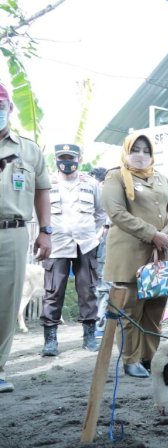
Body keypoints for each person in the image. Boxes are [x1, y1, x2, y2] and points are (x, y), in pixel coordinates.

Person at [102, 133, 168, 378]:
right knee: (130, 310)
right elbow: (116, 212)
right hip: (130, 254)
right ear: (126, 151)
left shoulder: (161, 178)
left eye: (146, 150)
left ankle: (149, 358)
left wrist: (164, 234)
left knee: (155, 310)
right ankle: (130, 359)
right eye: (135, 149)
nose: (141, 155)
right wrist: (151, 234)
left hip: (161, 254)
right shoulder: (115, 177)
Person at [0, 82, 52, 393]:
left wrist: (45, 232)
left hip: (14, 234)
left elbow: (43, 191)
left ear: (9, 110)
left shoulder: (28, 150)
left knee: (6, 303)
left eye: (0, 107)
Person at [39, 144, 107, 356]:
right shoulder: (47, 183)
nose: (66, 161)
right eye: (62, 157)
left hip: (85, 244)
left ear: (79, 159)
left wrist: (95, 236)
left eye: (71, 157)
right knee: (53, 291)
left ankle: (89, 337)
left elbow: (100, 213)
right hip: (56, 245)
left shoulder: (91, 184)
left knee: (88, 291)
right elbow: (38, 210)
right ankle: (50, 341)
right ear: (56, 159)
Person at [90, 166, 111, 338]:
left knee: (103, 287)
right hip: (91, 247)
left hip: (105, 247)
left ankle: (99, 325)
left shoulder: (109, 198)